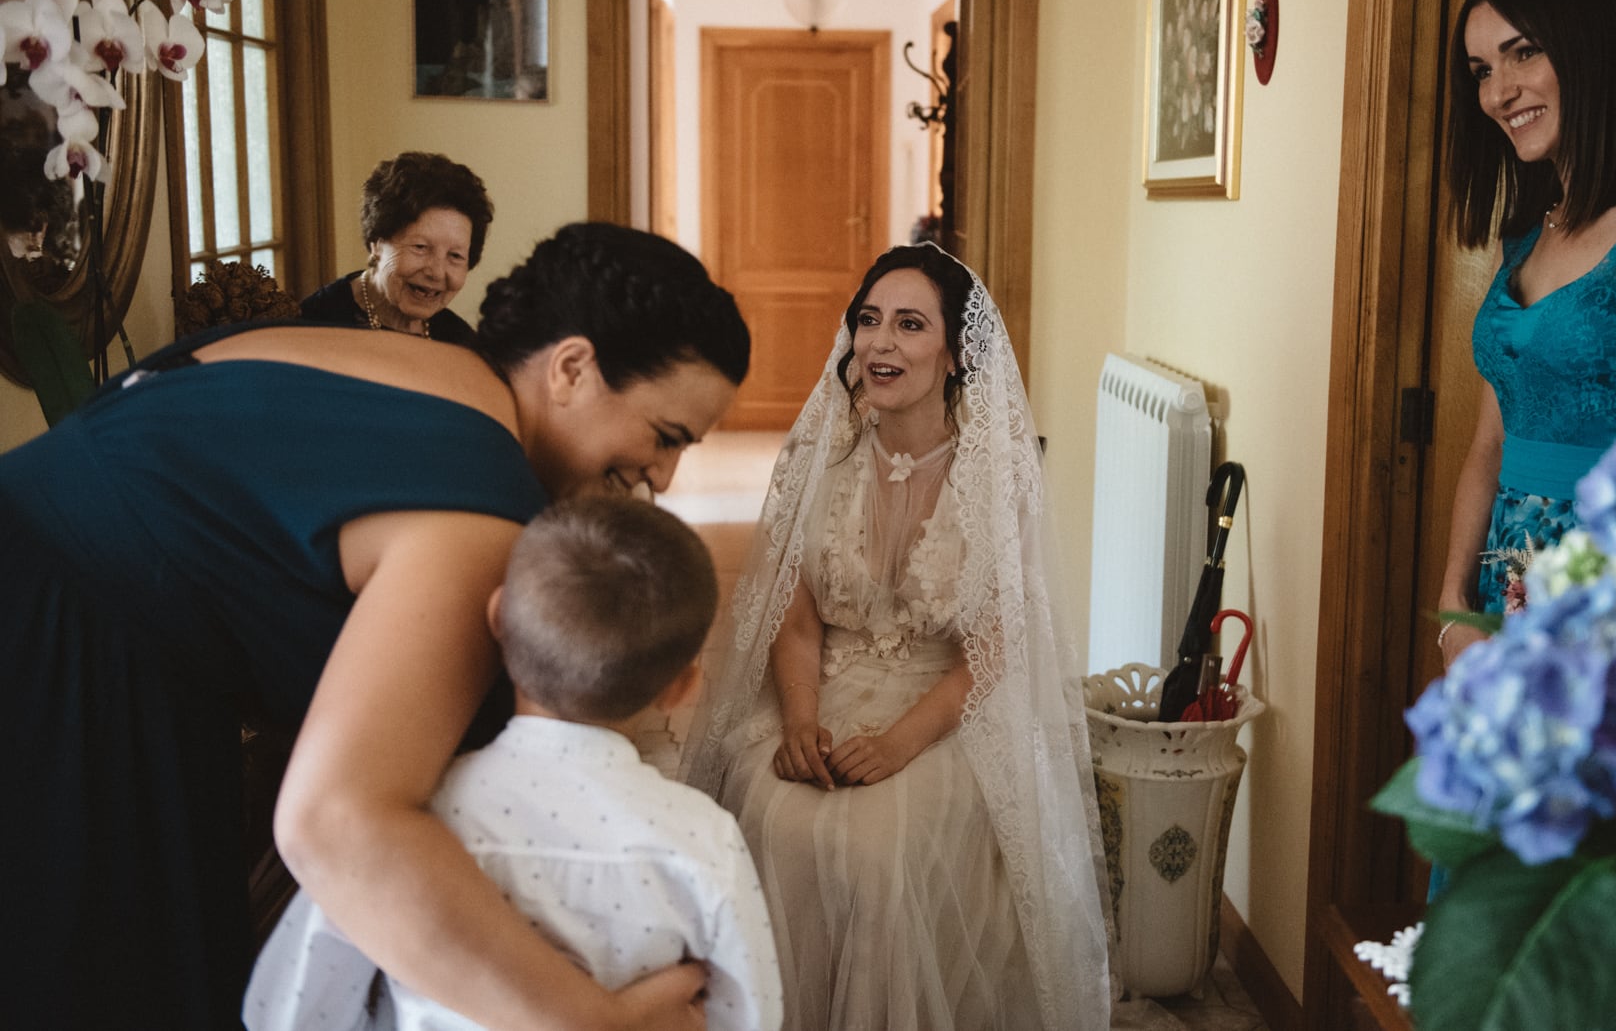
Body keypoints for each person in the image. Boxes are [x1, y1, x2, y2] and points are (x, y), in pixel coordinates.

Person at [0, 222, 748, 1030]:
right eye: (665, 436)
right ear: (571, 367)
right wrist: (593, 1018)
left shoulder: (435, 372)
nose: (664, 475)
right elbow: (337, 823)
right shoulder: (480, 505)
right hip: (64, 668)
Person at [681, 244, 1112, 1031]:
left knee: (879, 848)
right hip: (825, 685)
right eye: (870, 320)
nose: (881, 342)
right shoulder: (820, 457)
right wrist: (801, 719)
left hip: (945, 707)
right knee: (770, 810)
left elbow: (992, 649)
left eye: (911, 324)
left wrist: (899, 743)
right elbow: (794, 617)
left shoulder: (997, 474)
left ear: (954, 353)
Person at [246, 495, 783, 1031]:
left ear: (498, 620)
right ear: (681, 688)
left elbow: (294, 1010)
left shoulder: (404, 824)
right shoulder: (703, 840)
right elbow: (749, 1015)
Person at [1436, 0, 1616, 666]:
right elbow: (1489, 445)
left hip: (1611, 596)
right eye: (1482, 70)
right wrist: (1454, 612)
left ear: (1593, 48)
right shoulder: (1527, 235)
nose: (1497, 94)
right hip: (1505, 583)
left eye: (1523, 53)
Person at [298, 151, 494, 344]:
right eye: (420, 247)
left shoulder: (462, 343)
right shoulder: (310, 327)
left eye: (455, 256)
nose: (436, 273)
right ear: (377, 243)